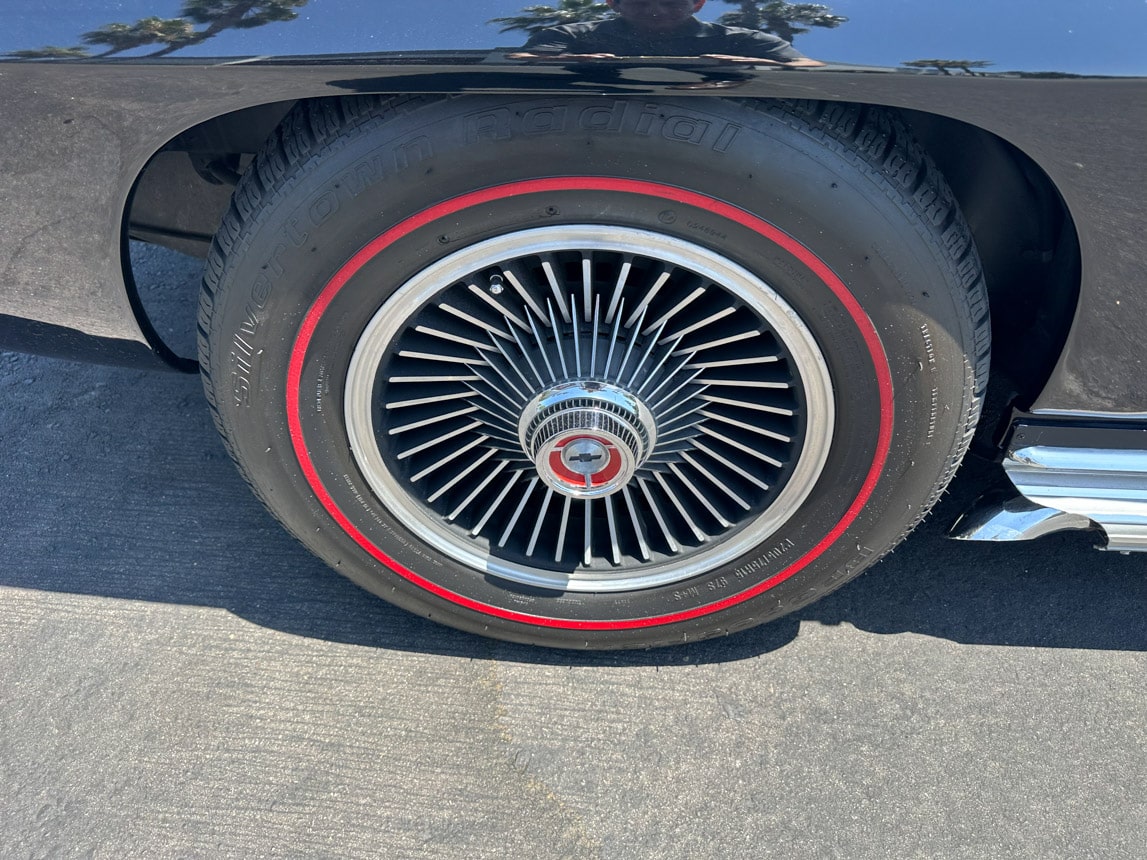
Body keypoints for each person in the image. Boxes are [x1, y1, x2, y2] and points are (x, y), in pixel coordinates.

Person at [510, 0, 823, 66]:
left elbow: (814, 72)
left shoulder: (742, 41)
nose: (656, 10)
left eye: (672, 1)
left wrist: (754, 68)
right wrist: (569, 62)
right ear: (614, 4)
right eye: (639, 1)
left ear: (698, 4)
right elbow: (516, 62)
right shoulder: (569, 35)